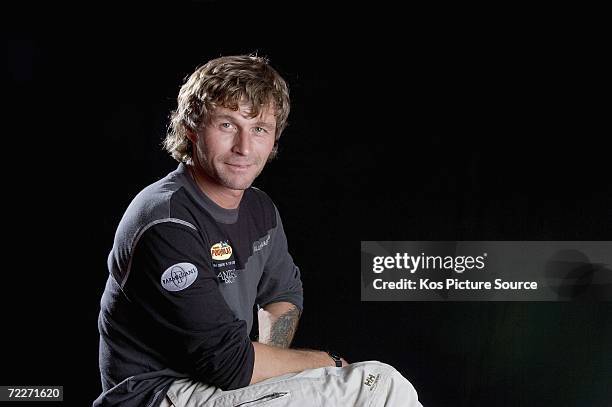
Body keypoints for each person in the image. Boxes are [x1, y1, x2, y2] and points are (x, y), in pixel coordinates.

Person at [94, 54, 422, 406]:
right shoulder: (167, 221)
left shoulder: (259, 208)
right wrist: (329, 362)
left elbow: (282, 291)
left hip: (216, 387)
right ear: (191, 128)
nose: (244, 148)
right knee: (380, 385)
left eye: (259, 129)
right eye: (227, 125)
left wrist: (266, 365)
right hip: (159, 396)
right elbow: (227, 363)